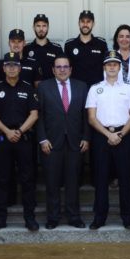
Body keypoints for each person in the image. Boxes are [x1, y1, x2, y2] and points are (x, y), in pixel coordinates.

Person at [85, 50, 130, 229]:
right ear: (104, 67)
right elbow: (91, 118)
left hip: (123, 136)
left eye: (115, 64)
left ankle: (127, 217)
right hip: (102, 137)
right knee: (101, 178)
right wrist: (108, 134)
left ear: (120, 67)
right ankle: (100, 217)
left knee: (125, 179)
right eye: (109, 64)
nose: (112, 67)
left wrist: (120, 134)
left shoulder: (129, 89)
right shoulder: (95, 88)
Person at [35, 54, 90, 229]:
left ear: (71, 69)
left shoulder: (82, 87)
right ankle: (53, 217)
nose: (62, 70)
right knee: (52, 182)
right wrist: (42, 139)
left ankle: (74, 217)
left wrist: (86, 137)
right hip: (51, 142)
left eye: (65, 66)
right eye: (58, 67)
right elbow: (39, 116)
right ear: (53, 70)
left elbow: (87, 115)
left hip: (75, 142)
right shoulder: (43, 87)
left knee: (73, 181)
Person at [0, 52, 40, 232]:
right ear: (3, 68)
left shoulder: (27, 88)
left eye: (15, 65)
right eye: (8, 65)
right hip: (3, 138)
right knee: (2, 179)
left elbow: (34, 114)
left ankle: (29, 217)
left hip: (23, 138)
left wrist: (19, 131)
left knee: (27, 178)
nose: (11, 68)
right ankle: (0, 218)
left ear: (20, 68)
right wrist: (7, 131)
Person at [64, 10, 108, 88]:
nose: (85, 24)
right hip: (75, 89)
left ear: (93, 24)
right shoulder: (69, 45)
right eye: (82, 21)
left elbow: (106, 67)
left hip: (96, 88)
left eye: (88, 21)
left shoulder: (101, 44)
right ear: (79, 23)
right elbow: (66, 68)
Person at [23, 13, 63, 86]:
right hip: (31, 91)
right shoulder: (26, 48)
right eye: (38, 26)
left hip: (52, 91)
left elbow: (61, 70)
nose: (41, 29)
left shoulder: (56, 48)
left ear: (48, 27)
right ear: (33, 28)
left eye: (44, 26)